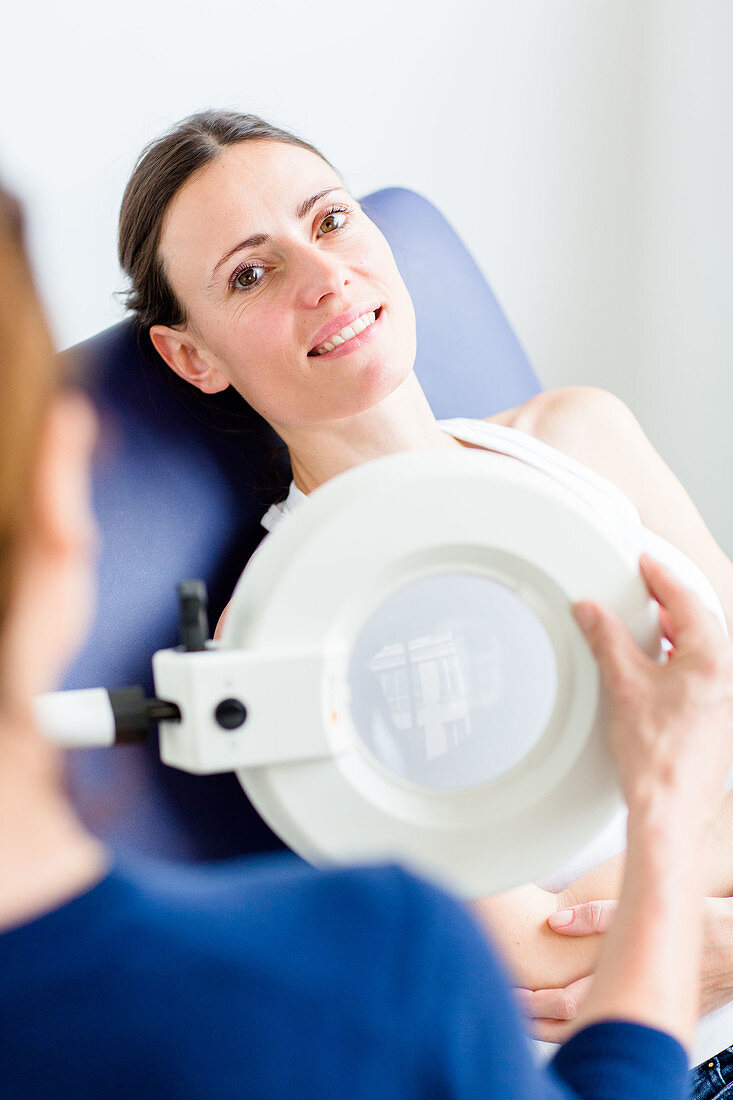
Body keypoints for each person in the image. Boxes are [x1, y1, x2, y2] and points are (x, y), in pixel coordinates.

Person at [2, 177, 733, 1099]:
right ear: (192, 357)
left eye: (332, 220)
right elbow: (542, 956)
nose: (324, 275)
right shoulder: (274, 638)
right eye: (252, 273)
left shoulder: (579, 435)